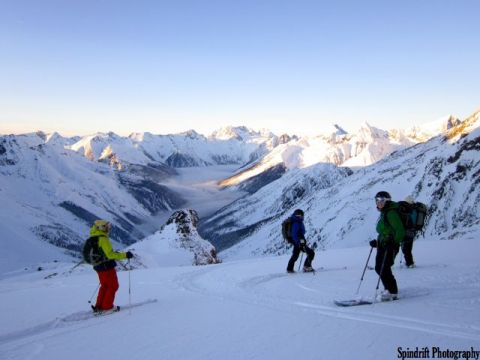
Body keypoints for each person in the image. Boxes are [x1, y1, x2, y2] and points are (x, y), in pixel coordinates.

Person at [89, 220, 133, 313]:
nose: (108, 229)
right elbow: (110, 255)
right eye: (106, 227)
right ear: (101, 227)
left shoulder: (94, 236)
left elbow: (103, 252)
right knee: (113, 286)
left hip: (98, 266)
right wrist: (125, 255)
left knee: (104, 286)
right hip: (106, 266)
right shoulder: (103, 239)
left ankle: (99, 306)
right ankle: (107, 307)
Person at [369, 192, 405, 301]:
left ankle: (392, 291)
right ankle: (388, 289)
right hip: (383, 245)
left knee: (383, 268)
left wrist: (393, 243)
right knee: (380, 268)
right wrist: (377, 242)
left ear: (387, 201)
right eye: (377, 200)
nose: (379, 203)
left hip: (390, 246)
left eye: (382, 200)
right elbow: (385, 231)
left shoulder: (391, 213)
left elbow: (400, 231)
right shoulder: (385, 212)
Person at [286, 209, 315, 273]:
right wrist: (300, 243)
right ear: (298, 215)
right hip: (299, 242)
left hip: (298, 242)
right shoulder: (296, 223)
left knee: (295, 255)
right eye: (301, 215)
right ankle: (306, 267)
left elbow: (299, 233)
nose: (302, 216)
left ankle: (289, 269)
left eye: (302, 215)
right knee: (311, 253)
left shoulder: (298, 222)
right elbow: (294, 235)